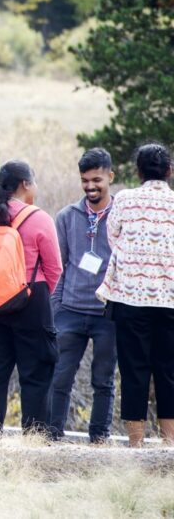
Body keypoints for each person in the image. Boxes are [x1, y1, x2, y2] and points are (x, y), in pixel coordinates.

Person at [0, 160, 62, 439]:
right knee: (35, 375)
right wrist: (37, 296)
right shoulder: (39, 218)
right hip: (30, 300)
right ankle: (34, 439)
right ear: (25, 184)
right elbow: (55, 268)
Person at [96, 143, 174, 447]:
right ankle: (169, 444)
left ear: (138, 171)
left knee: (133, 369)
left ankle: (136, 443)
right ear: (169, 171)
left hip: (130, 298)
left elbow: (113, 236)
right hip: (169, 298)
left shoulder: (125, 199)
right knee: (168, 370)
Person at [49, 148, 117, 443]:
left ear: (110, 177)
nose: (90, 186)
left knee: (103, 380)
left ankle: (99, 439)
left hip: (107, 312)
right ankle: (52, 436)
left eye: (97, 180)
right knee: (60, 376)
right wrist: (56, 309)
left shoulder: (120, 216)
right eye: (85, 180)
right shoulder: (66, 216)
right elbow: (57, 266)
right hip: (71, 311)